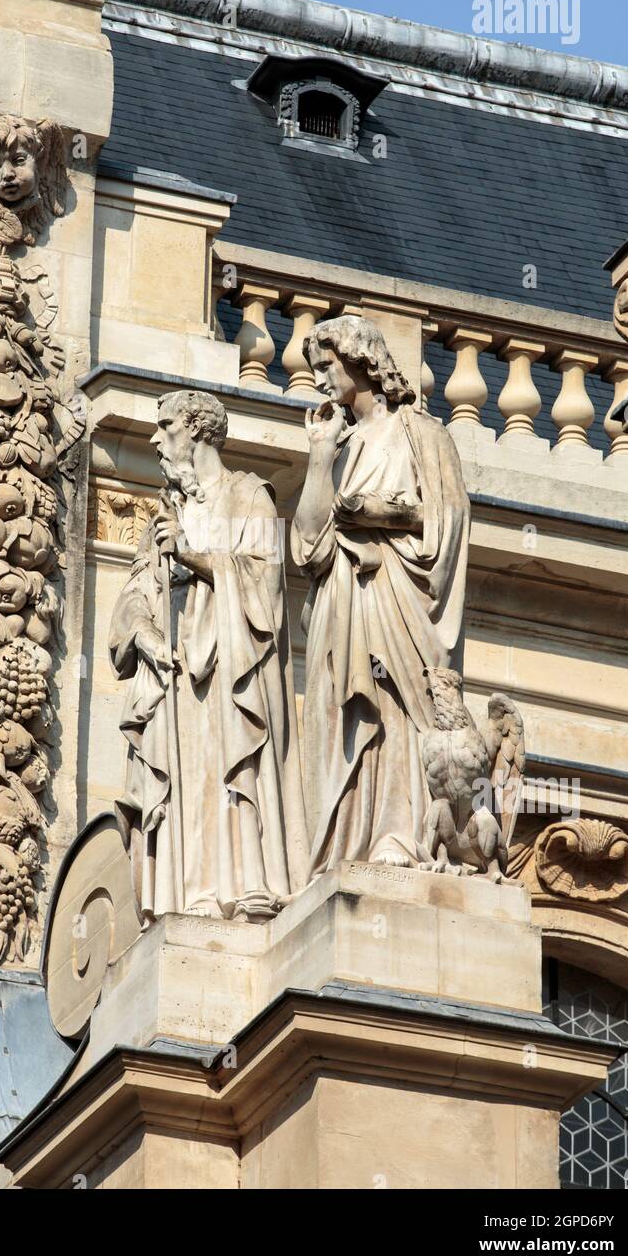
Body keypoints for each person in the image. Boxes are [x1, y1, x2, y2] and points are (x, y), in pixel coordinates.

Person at [109, 388, 309, 921]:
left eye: (166, 426)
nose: (154, 439)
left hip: (229, 671)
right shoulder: (165, 512)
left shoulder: (248, 496)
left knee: (226, 774)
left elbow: (263, 581)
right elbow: (133, 592)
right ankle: (184, 899)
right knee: (185, 787)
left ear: (197, 430)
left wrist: (192, 554)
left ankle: (242, 892)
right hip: (173, 674)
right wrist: (144, 633)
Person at [291, 315, 470, 873]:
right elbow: (306, 547)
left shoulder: (422, 435)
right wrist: (319, 458)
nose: (319, 379)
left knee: (393, 705)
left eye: (327, 366)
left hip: (396, 591)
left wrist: (381, 515)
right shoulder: (336, 446)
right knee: (342, 718)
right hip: (340, 601)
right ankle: (343, 844)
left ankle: (396, 834)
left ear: (360, 363)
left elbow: (447, 518)